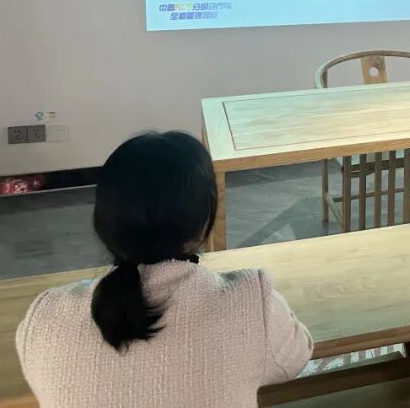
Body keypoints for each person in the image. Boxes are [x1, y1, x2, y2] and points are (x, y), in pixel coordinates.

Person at [16, 131, 313, 408]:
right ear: (202, 225)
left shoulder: (46, 318)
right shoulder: (251, 302)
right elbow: (294, 358)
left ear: (103, 222)